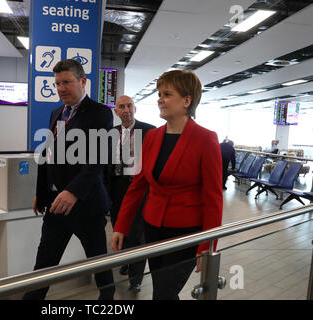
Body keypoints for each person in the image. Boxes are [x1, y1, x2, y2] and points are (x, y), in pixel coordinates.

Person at [111, 70, 223, 300]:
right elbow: (138, 185)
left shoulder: (206, 138)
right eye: (159, 93)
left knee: (164, 292)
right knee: (164, 291)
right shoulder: (152, 136)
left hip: (186, 232)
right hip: (153, 227)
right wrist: (121, 225)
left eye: (167, 94)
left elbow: (213, 197)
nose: (160, 98)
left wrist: (207, 245)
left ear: (187, 100)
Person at [23, 59, 115, 300]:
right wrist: (42, 191)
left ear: (82, 81)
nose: (61, 88)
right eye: (57, 84)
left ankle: (107, 300)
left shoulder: (100, 113)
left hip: (86, 206)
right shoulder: (56, 112)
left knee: (99, 265)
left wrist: (73, 191)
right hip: (55, 204)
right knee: (43, 264)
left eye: (67, 82)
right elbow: (49, 155)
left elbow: (97, 159)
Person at [107, 95, 155, 292]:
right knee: (119, 227)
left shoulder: (150, 131)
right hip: (116, 188)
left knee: (137, 233)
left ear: (135, 109)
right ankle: (127, 262)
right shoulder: (109, 133)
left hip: (139, 188)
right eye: (121, 107)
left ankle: (136, 278)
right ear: (116, 111)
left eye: (129, 106)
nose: (126, 110)